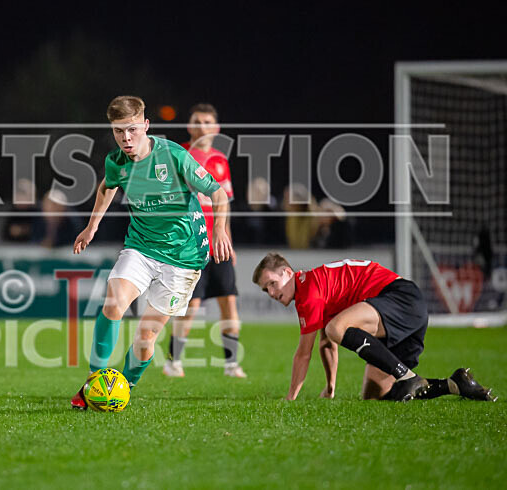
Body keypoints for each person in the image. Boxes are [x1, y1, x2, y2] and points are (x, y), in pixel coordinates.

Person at [70, 96, 231, 409]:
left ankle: (125, 385)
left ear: (145, 125)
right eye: (118, 132)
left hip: (184, 259)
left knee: (145, 340)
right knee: (113, 303)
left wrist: (220, 231)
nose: (126, 138)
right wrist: (92, 227)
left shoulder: (173, 155)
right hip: (141, 248)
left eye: (132, 130)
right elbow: (107, 186)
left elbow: (219, 193)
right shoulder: (116, 161)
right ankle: (93, 382)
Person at [252, 252, 496, 402]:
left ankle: (407, 376)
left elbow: (305, 352)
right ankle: (455, 384)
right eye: (266, 289)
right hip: (405, 310)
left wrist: (290, 398)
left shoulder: (308, 291)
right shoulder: (314, 287)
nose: (272, 293)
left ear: (287, 272)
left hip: (400, 298)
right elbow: (327, 345)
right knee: (376, 394)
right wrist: (330, 387)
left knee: (335, 328)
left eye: (273, 284)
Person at [163, 103, 246, 379]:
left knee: (228, 302)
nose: (202, 126)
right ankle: (173, 361)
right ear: (189, 126)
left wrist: (228, 239)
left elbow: (226, 203)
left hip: (218, 244)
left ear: (216, 128)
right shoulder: (180, 155)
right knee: (192, 306)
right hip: (192, 244)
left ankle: (232, 364)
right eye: (197, 121)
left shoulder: (221, 160)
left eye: (208, 121)